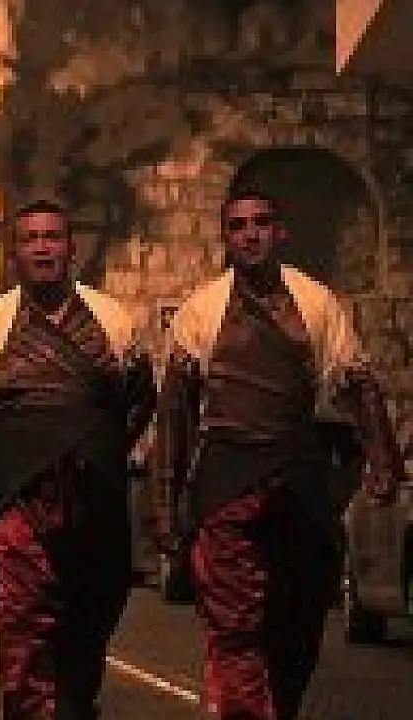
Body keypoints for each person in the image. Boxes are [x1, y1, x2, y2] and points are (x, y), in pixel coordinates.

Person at [152, 189, 407, 718]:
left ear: (280, 231)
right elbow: (175, 411)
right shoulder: (202, 309)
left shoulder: (316, 303)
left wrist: (384, 459)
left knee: (299, 622)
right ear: (225, 238)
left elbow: (356, 381)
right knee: (234, 626)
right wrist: (165, 502)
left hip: (298, 480)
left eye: (261, 223)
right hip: (226, 483)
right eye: (238, 225)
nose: (250, 234)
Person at [0, 200, 155, 719]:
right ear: (14, 253)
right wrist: (21, 455)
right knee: (22, 632)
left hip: (96, 501)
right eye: (31, 239)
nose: (43, 249)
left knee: (89, 627)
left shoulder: (114, 321)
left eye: (53, 237)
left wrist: (94, 448)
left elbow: (139, 401)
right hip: (20, 505)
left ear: (71, 247)